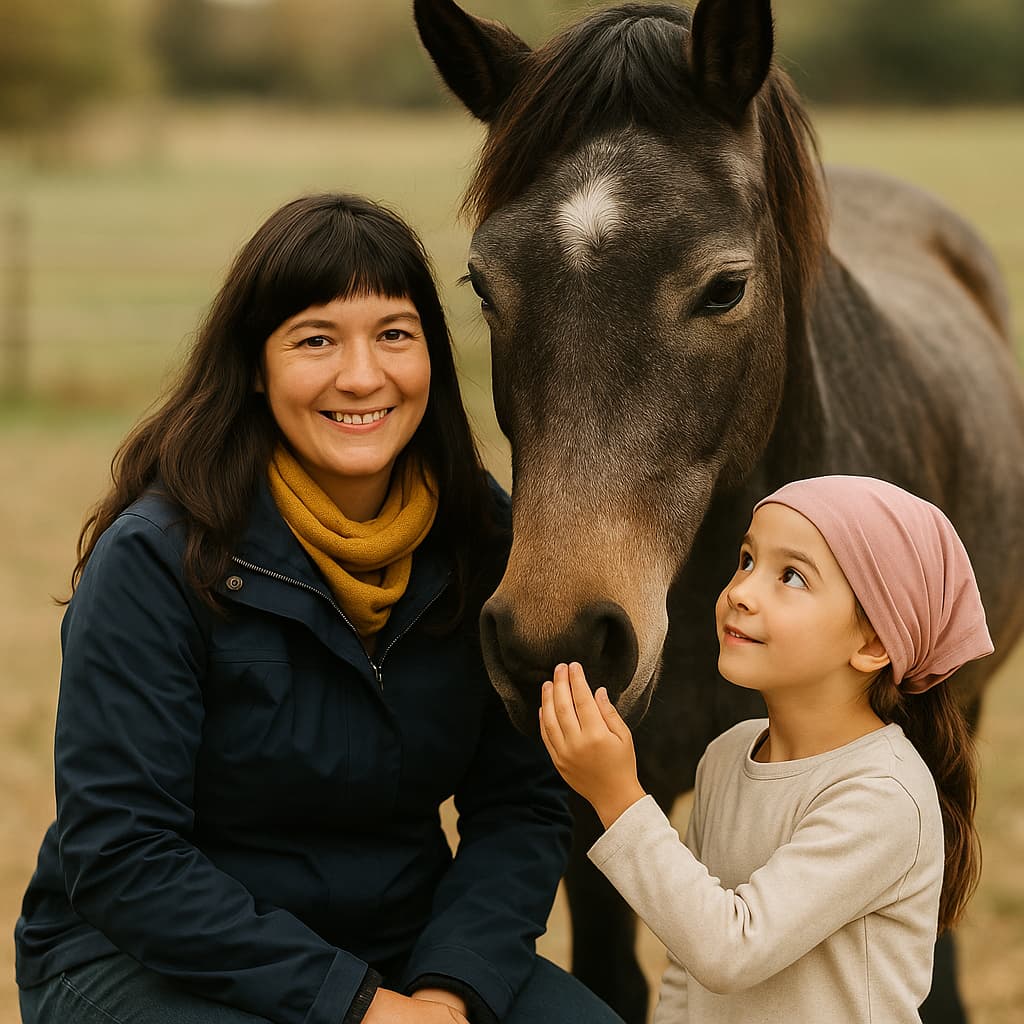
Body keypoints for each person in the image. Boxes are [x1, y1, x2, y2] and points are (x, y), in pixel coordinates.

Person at [15, 193, 622, 1024]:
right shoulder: (158, 557)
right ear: (255, 366)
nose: (363, 375)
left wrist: (448, 992)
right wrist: (362, 1008)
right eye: (315, 340)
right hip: (148, 957)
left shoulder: (485, 539)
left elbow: (518, 807)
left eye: (394, 335)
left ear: (433, 360)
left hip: (404, 944)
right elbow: (123, 857)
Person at [538, 475, 993, 1023]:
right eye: (747, 559)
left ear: (873, 642)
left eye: (792, 576)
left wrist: (618, 798)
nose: (740, 592)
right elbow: (688, 967)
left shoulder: (882, 794)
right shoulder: (727, 756)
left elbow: (732, 948)